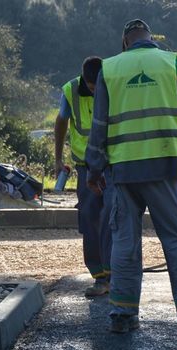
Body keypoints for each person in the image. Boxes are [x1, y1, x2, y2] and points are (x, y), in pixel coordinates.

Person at [85, 19, 177, 335]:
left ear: (125, 42)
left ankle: (123, 314)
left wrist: (94, 168)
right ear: (151, 40)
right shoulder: (172, 62)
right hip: (164, 168)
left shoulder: (110, 69)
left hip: (123, 172)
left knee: (125, 242)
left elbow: (99, 124)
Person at [54, 57, 113, 297]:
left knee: (114, 217)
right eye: (91, 87)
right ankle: (100, 277)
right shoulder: (71, 91)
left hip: (112, 164)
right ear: (84, 81)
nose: (96, 90)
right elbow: (61, 122)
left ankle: (115, 275)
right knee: (90, 219)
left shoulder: (113, 83)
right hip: (85, 165)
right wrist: (58, 159)